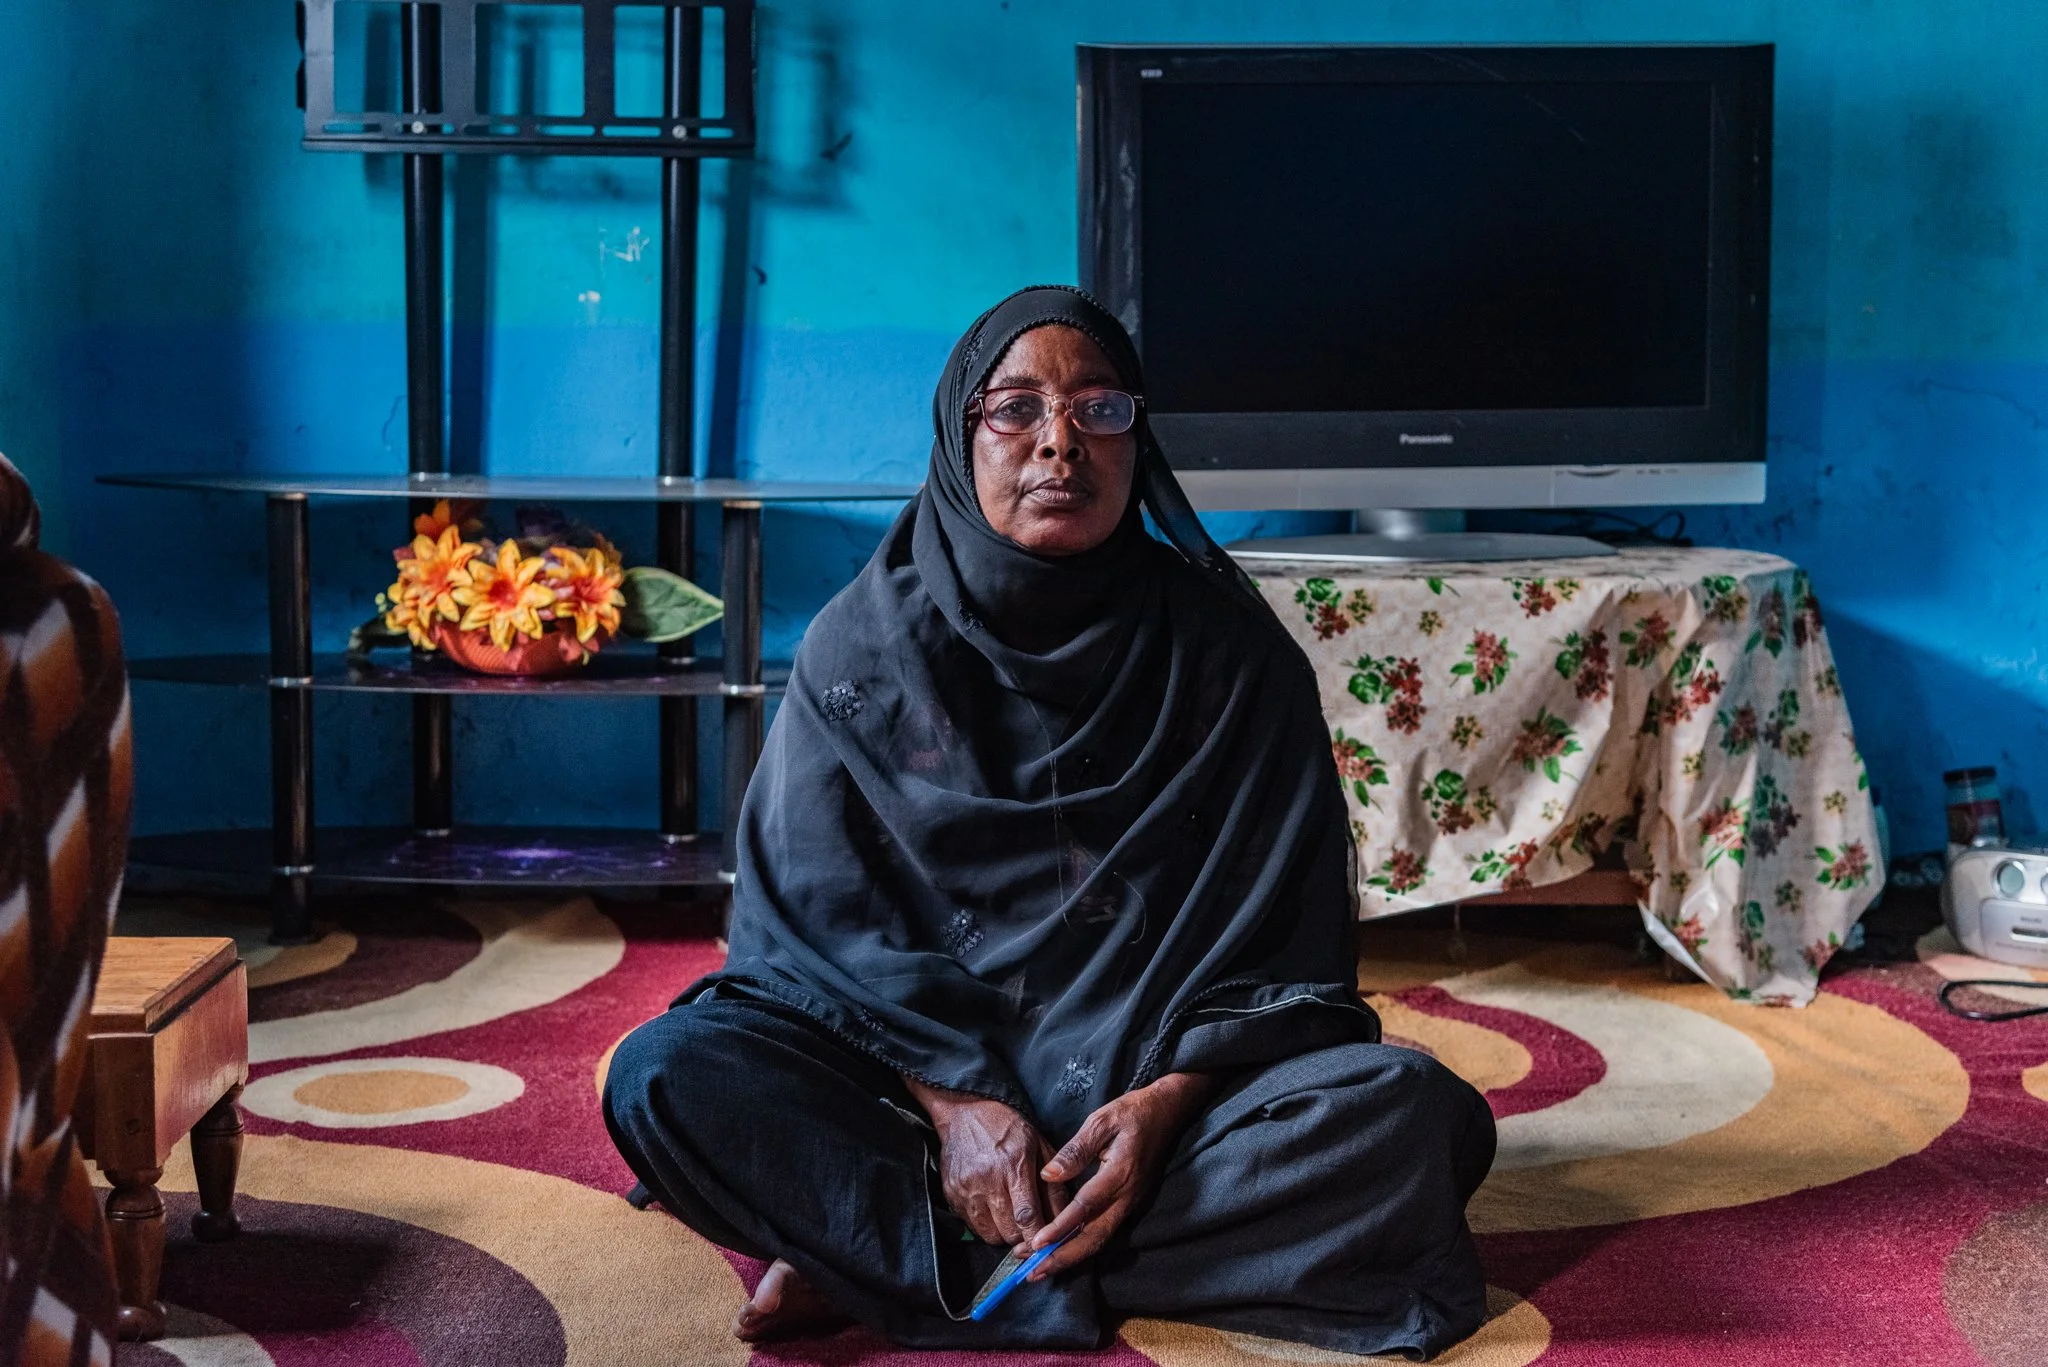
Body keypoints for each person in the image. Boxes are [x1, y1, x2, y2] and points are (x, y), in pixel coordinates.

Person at [604, 287, 1495, 1358]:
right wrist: (952, 1104)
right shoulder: (866, 647)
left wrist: (1164, 1104)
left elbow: (1284, 945)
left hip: (1156, 1092)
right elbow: (811, 928)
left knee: (1413, 1117)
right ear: (957, 435)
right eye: (1014, 409)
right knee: (668, 1072)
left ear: (1138, 435)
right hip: (907, 1084)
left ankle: (883, 1254)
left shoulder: (1230, 656)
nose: (1059, 443)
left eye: (1099, 410)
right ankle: (964, 1242)